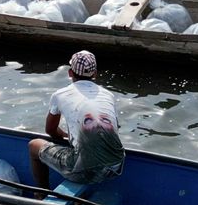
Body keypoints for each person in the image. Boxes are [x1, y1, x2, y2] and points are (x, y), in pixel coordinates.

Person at [27, 50, 125, 191]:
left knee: (33, 145)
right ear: (95, 74)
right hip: (116, 167)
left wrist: (65, 137)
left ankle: (41, 193)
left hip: (84, 171)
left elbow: (50, 130)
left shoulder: (59, 95)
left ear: (70, 73)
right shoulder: (109, 95)